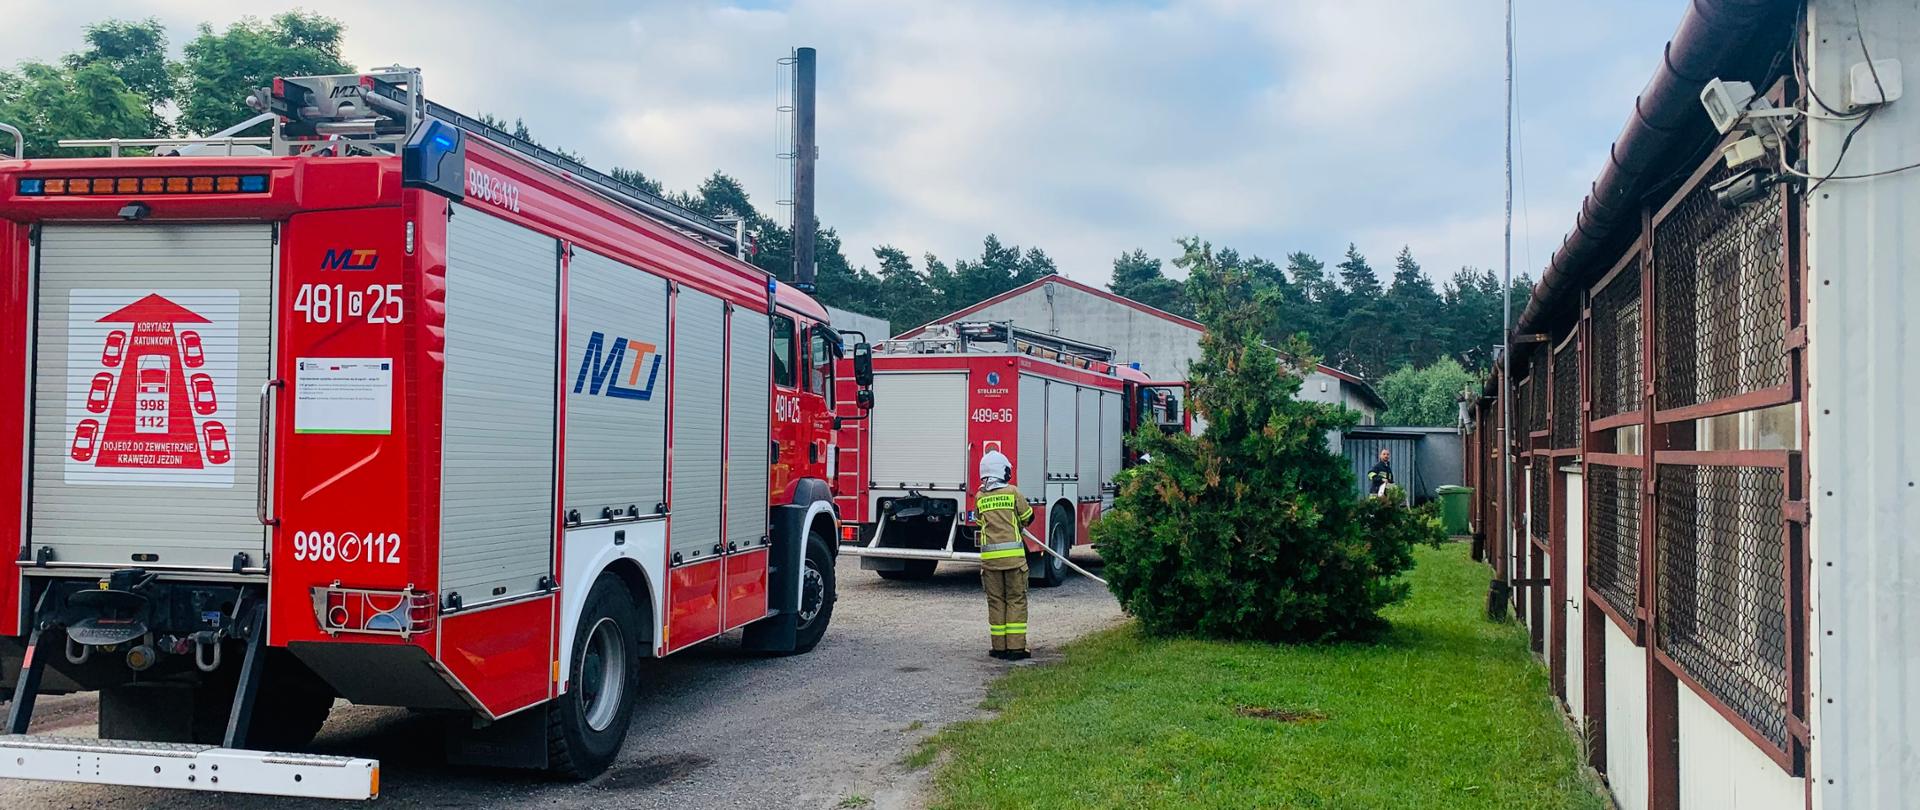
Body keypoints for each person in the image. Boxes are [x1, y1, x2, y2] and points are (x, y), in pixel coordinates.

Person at [975, 450, 1036, 661]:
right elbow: (1028, 517)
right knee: (1016, 600)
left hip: (990, 563)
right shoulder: (1013, 492)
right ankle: (1017, 649)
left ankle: (999, 648)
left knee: (996, 602)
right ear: (1002, 471)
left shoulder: (980, 496)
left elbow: (979, 522)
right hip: (1014, 562)